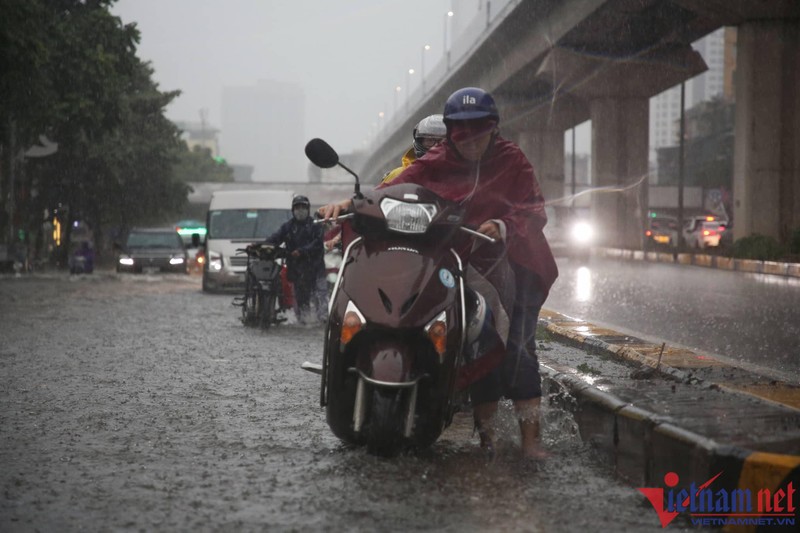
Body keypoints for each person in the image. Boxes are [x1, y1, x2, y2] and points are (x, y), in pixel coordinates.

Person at [320, 87, 558, 460]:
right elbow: (389, 192)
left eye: (480, 129)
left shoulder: (513, 160)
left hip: (514, 263)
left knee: (517, 349)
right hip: (463, 261)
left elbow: (533, 209)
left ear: (494, 128)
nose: (472, 140)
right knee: (478, 343)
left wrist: (501, 224)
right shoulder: (437, 160)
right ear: (450, 132)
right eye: (462, 132)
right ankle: (488, 439)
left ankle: (532, 441)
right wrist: (348, 206)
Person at [265, 195, 326, 325]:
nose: (300, 210)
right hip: (297, 271)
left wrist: (302, 251)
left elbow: (318, 243)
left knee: (319, 296)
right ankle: (304, 322)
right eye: (297, 208)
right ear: (293, 210)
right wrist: (263, 245)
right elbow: (276, 238)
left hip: (315, 269)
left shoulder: (315, 225)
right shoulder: (288, 227)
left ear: (308, 209)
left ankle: (323, 322)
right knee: (301, 300)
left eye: (303, 207)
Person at [380, 114, 446, 185]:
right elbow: (379, 194)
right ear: (419, 142)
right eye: (430, 141)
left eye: (443, 141)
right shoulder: (397, 175)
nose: (436, 146)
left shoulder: (458, 177)